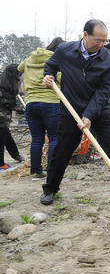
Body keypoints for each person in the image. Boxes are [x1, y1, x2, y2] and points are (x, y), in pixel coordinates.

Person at [40, 19, 110, 205]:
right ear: (85, 35)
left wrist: (89, 115)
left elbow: (104, 92)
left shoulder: (108, 61)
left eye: (104, 41)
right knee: (62, 151)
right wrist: (47, 76)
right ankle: (50, 189)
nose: (101, 45)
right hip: (70, 109)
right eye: (97, 40)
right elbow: (51, 65)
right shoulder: (65, 50)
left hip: (99, 112)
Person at [17, 37, 64, 177]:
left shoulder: (31, 58)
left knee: (37, 139)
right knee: (54, 138)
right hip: (51, 102)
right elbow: (61, 79)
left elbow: (19, 68)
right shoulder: (57, 60)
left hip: (31, 102)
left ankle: (36, 171)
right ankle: (51, 172)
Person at [0, 64, 26, 171]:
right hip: (1, 117)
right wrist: (21, 110)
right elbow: (7, 102)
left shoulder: (5, 83)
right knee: (1, 138)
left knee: (6, 135)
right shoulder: (4, 85)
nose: (19, 77)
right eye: (18, 74)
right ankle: (1, 164)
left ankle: (15, 154)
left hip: (3, 118)